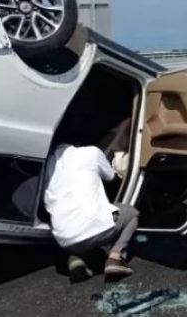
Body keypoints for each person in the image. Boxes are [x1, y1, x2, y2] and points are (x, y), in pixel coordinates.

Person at [45, 114, 139, 281]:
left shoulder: (46, 167)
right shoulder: (90, 152)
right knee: (131, 214)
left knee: (71, 220)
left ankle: (76, 258)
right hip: (95, 229)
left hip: (64, 240)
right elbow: (111, 177)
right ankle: (115, 259)